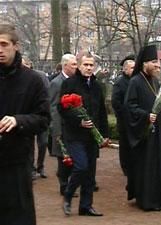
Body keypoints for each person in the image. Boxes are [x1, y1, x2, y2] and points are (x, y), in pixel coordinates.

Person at [0, 24, 50, 225]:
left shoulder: (32, 80)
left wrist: (18, 120)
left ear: (16, 46)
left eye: (3, 44)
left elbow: (44, 118)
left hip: (17, 163)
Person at [59, 51, 109, 216]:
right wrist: (78, 121)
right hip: (74, 135)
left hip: (92, 137)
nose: (88, 68)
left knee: (90, 173)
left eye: (91, 65)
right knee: (81, 166)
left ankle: (86, 206)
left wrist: (104, 134)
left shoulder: (96, 86)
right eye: (85, 64)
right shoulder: (70, 84)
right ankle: (68, 195)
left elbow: (102, 111)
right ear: (79, 65)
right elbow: (62, 109)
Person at [124, 45, 161, 211]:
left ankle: (159, 198)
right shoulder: (135, 81)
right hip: (143, 132)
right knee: (147, 165)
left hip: (157, 130)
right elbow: (129, 106)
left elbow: (156, 102)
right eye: (154, 62)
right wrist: (145, 116)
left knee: (159, 163)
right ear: (145, 63)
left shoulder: (155, 80)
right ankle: (146, 200)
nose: (157, 65)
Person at [49, 53, 77, 195]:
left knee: (72, 155)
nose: (76, 67)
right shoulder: (56, 83)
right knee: (63, 156)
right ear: (65, 65)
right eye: (73, 65)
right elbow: (53, 107)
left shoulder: (75, 81)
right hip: (61, 126)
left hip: (73, 126)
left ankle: (70, 183)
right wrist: (57, 128)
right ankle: (64, 185)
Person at [22, 56, 50, 179]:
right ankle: (31, 169)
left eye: (24, 65)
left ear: (30, 65)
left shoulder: (40, 76)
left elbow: (47, 94)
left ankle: (41, 166)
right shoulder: (18, 79)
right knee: (29, 143)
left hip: (40, 114)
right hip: (26, 116)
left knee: (43, 142)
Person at [111, 55, 135, 176]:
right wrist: (124, 114)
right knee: (125, 145)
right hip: (124, 120)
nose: (133, 70)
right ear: (125, 69)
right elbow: (115, 102)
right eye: (131, 68)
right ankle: (125, 167)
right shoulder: (120, 82)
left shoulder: (135, 81)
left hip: (135, 119)